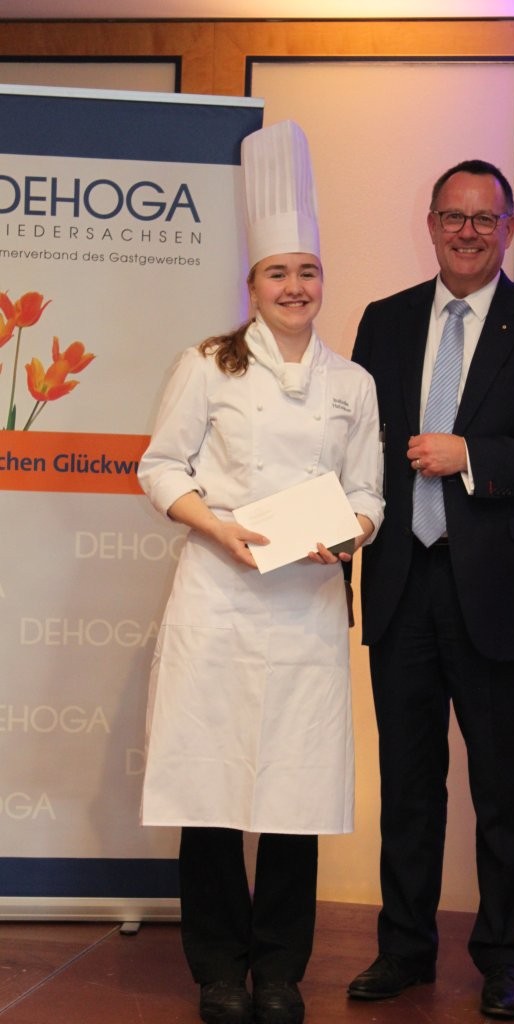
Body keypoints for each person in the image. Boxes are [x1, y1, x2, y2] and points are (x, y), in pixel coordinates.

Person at [137, 120, 384, 1024]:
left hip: (306, 604)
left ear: (323, 280)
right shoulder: (207, 366)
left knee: (293, 791)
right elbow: (160, 467)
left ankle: (279, 972)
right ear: (253, 284)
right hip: (218, 598)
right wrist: (222, 528)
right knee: (208, 789)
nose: (295, 287)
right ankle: (217, 970)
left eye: (308, 272)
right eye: (279, 273)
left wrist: (347, 536)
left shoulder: (351, 384)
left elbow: (369, 492)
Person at [345, 159, 514, 1019]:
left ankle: (501, 958)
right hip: (401, 582)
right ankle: (404, 949)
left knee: (504, 789)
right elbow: (353, 445)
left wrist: (472, 456)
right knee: (408, 786)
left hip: (499, 590)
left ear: (509, 230)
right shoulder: (383, 321)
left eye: (485, 219)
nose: (467, 232)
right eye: (453, 217)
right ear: (430, 225)